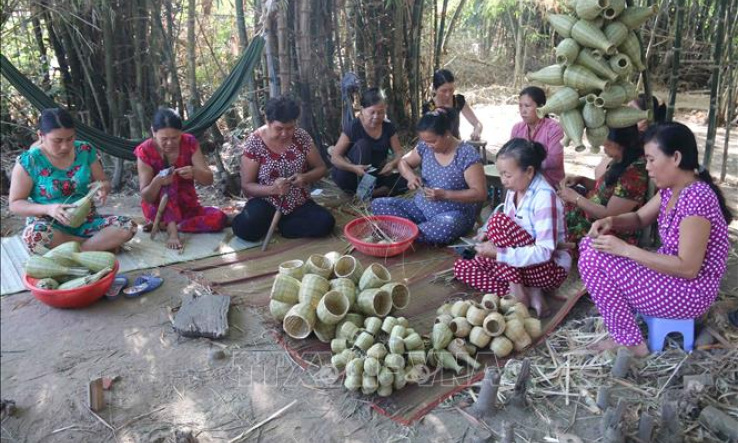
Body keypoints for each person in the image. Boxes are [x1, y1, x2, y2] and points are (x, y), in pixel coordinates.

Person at [578, 122, 731, 357]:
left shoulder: (697, 197)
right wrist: (612, 222)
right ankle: (626, 334)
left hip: (689, 294)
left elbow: (689, 268)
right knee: (589, 246)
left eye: (651, 159)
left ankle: (630, 342)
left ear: (676, 158)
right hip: (672, 280)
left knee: (593, 258)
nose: (647, 167)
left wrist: (626, 250)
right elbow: (640, 218)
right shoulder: (673, 189)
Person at [454, 138, 571, 318]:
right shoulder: (514, 191)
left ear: (529, 171)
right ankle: (528, 291)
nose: (503, 181)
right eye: (501, 175)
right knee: (463, 268)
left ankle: (517, 290)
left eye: (507, 175)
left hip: (547, 269)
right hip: (520, 266)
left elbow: (545, 251)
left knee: (498, 223)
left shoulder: (544, 196)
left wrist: (499, 254)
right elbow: (508, 233)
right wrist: (488, 237)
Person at [9, 108, 136, 253]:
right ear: (41, 135)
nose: (65, 146)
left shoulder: (85, 150)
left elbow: (103, 182)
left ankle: (75, 251)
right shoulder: (29, 161)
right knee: (34, 236)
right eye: (57, 141)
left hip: (86, 221)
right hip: (50, 224)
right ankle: (98, 245)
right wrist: (49, 209)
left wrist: (102, 188)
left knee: (128, 226)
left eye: (70, 139)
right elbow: (15, 204)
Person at [371, 109, 486, 245]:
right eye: (425, 141)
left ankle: (401, 231)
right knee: (378, 204)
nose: (429, 146)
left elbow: (480, 193)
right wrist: (410, 177)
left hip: (453, 214)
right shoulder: (424, 147)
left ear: (447, 133)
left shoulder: (466, 154)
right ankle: (412, 233)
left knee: (444, 228)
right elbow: (403, 162)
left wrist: (445, 194)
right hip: (419, 208)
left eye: (433, 141)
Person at [232, 95, 335, 242]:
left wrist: (305, 178)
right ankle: (277, 223)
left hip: (298, 201)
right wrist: (272, 189)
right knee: (246, 228)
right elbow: (247, 186)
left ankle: (283, 226)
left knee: (325, 223)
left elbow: (321, 168)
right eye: (279, 128)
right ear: (267, 121)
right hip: (265, 201)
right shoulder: (254, 143)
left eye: (290, 128)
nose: (285, 134)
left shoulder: (301, 137)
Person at [135, 108, 227, 250]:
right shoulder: (145, 151)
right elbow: (147, 197)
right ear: (153, 132)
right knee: (168, 181)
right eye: (164, 139)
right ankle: (172, 231)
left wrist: (194, 172)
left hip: (187, 206)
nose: (170, 143)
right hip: (158, 207)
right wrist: (157, 181)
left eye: (175, 138)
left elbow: (208, 180)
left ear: (181, 132)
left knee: (219, 219)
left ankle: (174, 225)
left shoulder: (189, 142)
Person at [558, 125, 648, 251]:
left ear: (618, 144)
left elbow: (609, 214)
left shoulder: (635, 174)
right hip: (590, 212)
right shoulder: (621, 158)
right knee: (554, 205)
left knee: (558, 224)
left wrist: (576, 198)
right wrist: (581, 179)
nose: (603, 148)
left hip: (606, 228)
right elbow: (604, 189)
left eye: (607, 145)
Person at [330, 88, 408, 197]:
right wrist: (353, 168)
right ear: (362, 110)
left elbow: (399, 152)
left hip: (375, 175)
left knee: (406, 180)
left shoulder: (388, 127)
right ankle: (363, 192)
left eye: (380, 112)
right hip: (352, 176)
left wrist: (392, 164)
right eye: (372, 112)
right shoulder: (354, 127)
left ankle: (369, 195)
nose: (376, 116)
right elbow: (335, 157)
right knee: (363, 145)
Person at [510, 86, 565, 188]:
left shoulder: (554, 129)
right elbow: (510, 155)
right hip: (523, 184)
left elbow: (554, 161)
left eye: (527, 106)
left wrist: (524, 165)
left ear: (541, 107)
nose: (523, 111)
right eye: (520, 106)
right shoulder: (517, 129)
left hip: (550, 186)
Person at [422, 69, 483, 140]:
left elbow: (477, 124)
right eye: (444, 91)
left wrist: (477, 131)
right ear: (435, 90)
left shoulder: (458, 101)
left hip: (457, 144)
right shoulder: (430, 106)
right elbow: (426, 134)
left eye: (451, 90)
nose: (448, 94)